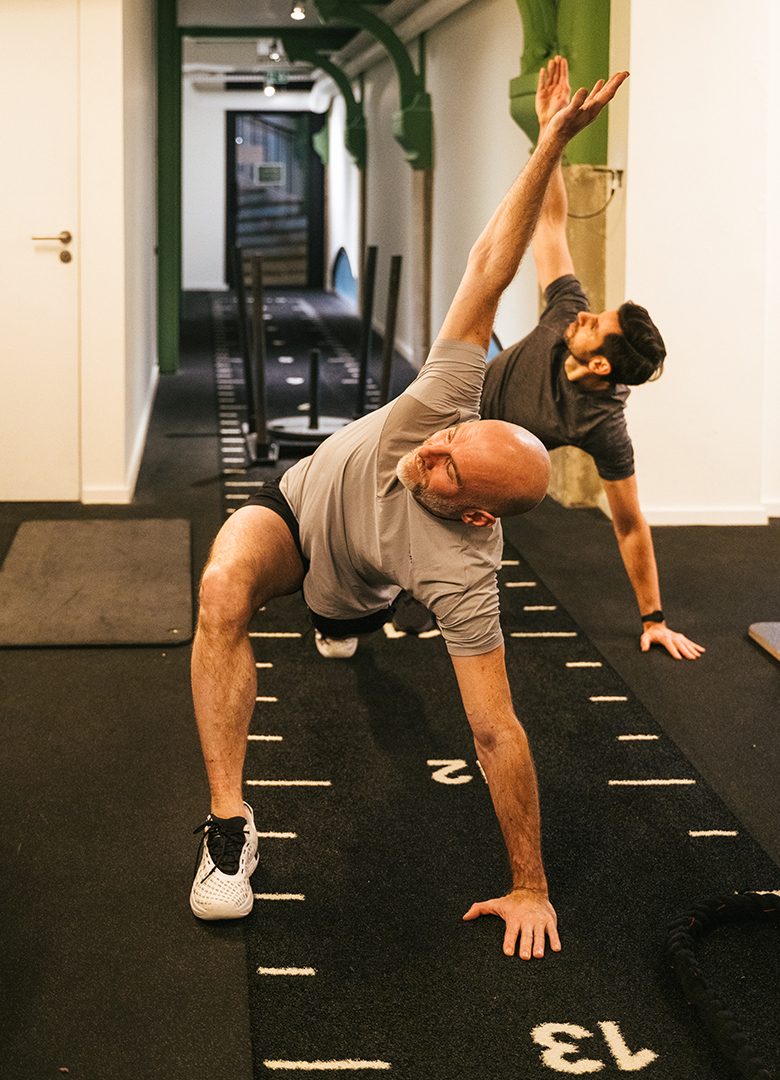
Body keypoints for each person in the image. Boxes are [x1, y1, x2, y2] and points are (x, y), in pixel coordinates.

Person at [189, 69, 629, 960]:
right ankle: (229, 829)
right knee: (223, 589)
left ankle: (343, 618)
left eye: (445, 469)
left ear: (475, 519)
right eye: (445, 440)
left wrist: (531, 884)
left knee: (343, 614)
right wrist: (547, 145)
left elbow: (495, 728)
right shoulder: (444, 401)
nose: (425, 451)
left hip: (368, 584)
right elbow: (489, 266)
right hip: (299, 511)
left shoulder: (465, 576)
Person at [481, 56, 704, 662]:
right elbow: (550, 226)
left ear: (602, 366)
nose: (584, 314)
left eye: (595, 326)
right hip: (450, 400)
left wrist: (654, 618)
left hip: (482, 469)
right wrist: (549, 132)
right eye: (595, 312)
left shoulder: (602, 425)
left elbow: (629, 523)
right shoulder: (565, 310)